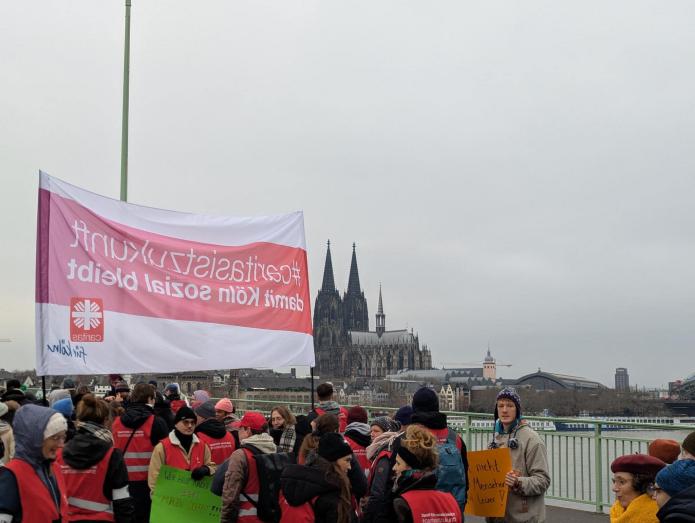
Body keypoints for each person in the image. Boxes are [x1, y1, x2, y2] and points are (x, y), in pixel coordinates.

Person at [54, 393, 135, 521]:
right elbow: (122, 502)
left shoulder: (59, 455)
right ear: (105, 421)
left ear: (79, 419)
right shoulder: (112, 455)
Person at [486, 387, 549, 523]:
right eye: (500, 405)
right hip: (498, 518)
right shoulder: (494, 440)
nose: (504, 410)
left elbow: (543, 481)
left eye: (510, 405)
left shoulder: (532, 440)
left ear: (518, 410)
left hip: (525, 518)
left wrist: (518, 482)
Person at [112, 382, 169, 522]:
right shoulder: (156, 422)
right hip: (148, 485)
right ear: (150, 399)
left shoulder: (116, 423)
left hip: (121, 485)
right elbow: (167, 455)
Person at [0, 404, 67, 522]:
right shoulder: (12, 475)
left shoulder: (53, 468)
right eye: (55, 438)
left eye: (63, 437)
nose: (61, 444)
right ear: (36, 438)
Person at [392, 425, 462, 523]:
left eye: (398, 463)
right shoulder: (451, 501)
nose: (393, 467)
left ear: (411, 468)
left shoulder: (401, 504)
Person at [280, 432, 355, 523]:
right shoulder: (332, 494)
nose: (349, 466)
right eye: (347, 460)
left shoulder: (302, 482)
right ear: (333, 461)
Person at [220, 411, 277, 522]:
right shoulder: (276, 450)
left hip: (246, 517)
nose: (238, 432)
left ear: (248, 430)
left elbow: (230, 494)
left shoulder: (241, 455)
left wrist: (225, 519)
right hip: (270, 516)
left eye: (240, 428)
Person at [148, 406, 215, 493]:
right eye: (185, 422)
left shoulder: (202, 445)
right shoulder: (162, 447)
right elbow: (154, 477)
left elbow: (212, 467)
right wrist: (159, 499)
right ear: (176, 424)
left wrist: (206, 469)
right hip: (171, 501)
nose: (190, 426)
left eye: (193, 422)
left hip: (195, 500)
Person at [610, 454, 665, 523]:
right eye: (614, 481)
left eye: (622, 482)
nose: (614, 488)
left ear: (643, 485)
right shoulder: (617, 512)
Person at [195, 399, 236, 465]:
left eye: (196, 415)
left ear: (202, 417)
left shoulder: (198, 437)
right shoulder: (230, 435)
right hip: (226, 473)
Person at [344, 406, 371, 475]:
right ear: (366, 420)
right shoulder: (374, 439)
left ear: (348, 420)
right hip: (369, 480)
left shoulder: (344, 441)